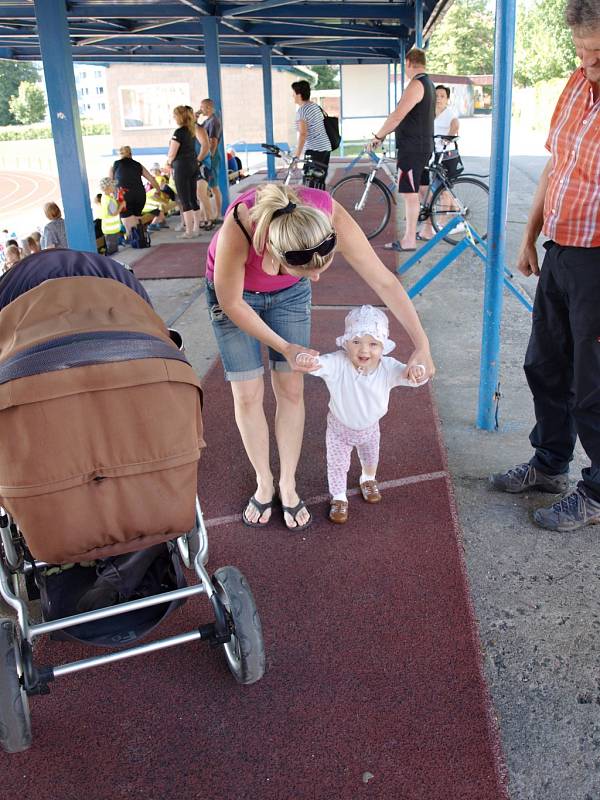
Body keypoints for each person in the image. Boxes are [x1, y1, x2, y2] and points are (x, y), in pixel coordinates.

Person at [205, 181, 434, 531]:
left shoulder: (329, 214)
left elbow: (385, 282)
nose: (316, 278)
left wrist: (423, 344)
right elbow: (231, 303)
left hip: (286, 295)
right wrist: (284, 347)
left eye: (323, 265)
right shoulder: (237, 228)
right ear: (273, 255)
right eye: (307, 271)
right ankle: (265, 482)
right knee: (248, 393)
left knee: (291, 388)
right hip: (235, 297)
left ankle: (288, 483)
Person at [489, 0, 600, 532]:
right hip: (562, 249)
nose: (588, 62)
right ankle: (550, 463)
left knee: (594, 381)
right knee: (544, 364)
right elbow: (557, 166)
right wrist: (530, 237)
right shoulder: (577, 85)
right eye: (581, 50)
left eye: (598, 54)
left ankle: (598, 492)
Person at [299, 305, 428, 524]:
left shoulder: (388, 367)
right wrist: (308, 361)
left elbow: (409, 376)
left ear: (383, 347)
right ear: (346, 343)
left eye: (373, 344)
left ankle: (367, 478)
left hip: (370, 429)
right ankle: (339, 497)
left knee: (370, 458)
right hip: (340, 429)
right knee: (337, 464)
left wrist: (418, 372)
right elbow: (320, 364)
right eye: (356, 342)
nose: (364, 350)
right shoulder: (339, 362)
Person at [368, 47, 435, 252]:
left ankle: (408, 240)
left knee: (409, 193)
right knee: (422, 188)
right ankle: (428, 229)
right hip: (422, 145)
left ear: (408, 63)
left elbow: (397, 115)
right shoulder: (429, 83)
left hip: (412, 148)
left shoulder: (416, 84)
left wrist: (379, 136)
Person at [418, 85, 461, 241]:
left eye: (442, 96)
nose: (439, 98)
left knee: (442, 189)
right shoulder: (433, 114)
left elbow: (456, 125)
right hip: (437, 155)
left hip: (448, 155)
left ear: (447, 99)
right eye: (437, 95)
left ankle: (443, 224)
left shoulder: (449, 113)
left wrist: (448, 137)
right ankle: (458, 216)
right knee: (441, 188)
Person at [165, 105, 206, 238]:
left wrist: (168, 163)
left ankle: (188, 231)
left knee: (184, 200)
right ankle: (196, 229)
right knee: (193, 198)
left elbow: (172, 153)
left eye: (175, 115)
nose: (174, 117)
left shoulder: (179, 132)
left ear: (180, 117)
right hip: (192, 164)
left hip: (181, 167)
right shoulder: (191, 130)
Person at [109, 146, 160, 239]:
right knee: (137, 219)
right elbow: (151, 178)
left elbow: (110, 183)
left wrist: (111, 196)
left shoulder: (115, 165)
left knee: (129, 225)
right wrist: (158, 190)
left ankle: (135, 240)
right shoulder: (138, 165)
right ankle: (140, 240)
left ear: (120, 155)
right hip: (139, 195)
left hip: (124, 195)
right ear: (131, 154)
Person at [291, 79, 331, 187]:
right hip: (324, 148)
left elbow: (303, 134)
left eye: (293, 93)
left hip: (315, 150)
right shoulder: (314, 106)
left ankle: (316, 203)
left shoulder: (302, 111)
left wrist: (296, 156)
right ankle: (322, 202)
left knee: (310, 183)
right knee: (319, 181)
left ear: (299, 95)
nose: (292, 96)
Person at [199, 98, 223, 222]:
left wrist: (210, 158)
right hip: (208, 157)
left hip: (212, 158)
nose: (200, 109)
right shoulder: (207, 121)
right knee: (207, 187)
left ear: (208, 107)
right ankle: (207, 214)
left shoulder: (214, 121)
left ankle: (217, 214)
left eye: (202, 107)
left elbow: (213, 142)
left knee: (214, 186)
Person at [194, 108, 218, 230]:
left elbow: (207, 145)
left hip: (203, 164)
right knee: (200, 194)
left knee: (202, 193)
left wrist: (198, 160)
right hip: (199, 163)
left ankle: (210, 218)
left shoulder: (197, 128)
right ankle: (205, 218)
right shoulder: (191, 129)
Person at [98, 177, 124, 255]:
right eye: (112, 185)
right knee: (112, 251)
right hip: (110, 230)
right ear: (107, 188)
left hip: (110, 229)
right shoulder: (109, 200)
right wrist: (122, 205)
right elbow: (114, 213)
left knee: (113, 247)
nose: (114, 187)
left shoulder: (105, 197)